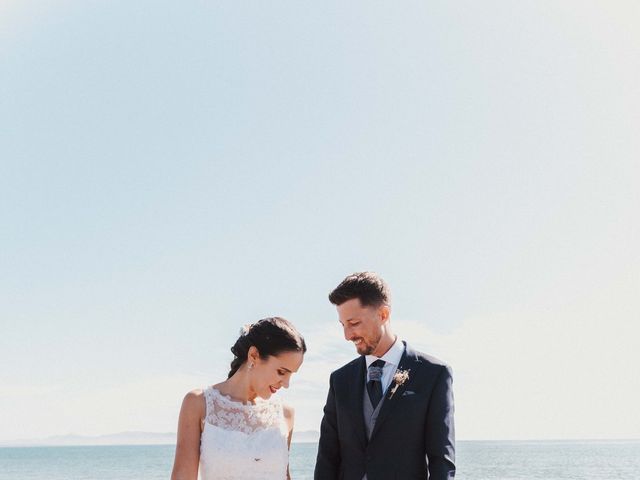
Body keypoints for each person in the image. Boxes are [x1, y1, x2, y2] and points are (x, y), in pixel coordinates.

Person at [314, 272, 455, 480]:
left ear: (383, 314)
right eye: (343, 325)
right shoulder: (340, 380)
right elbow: (327, 456)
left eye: (353, 323)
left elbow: (441, 459)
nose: (347, 335)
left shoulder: (433, 374)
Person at [171, 317, 306, 480]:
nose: (286, 384)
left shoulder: (285, 414)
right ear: (254, 355)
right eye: (282, 372)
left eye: (291, 375)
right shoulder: (198, 403)